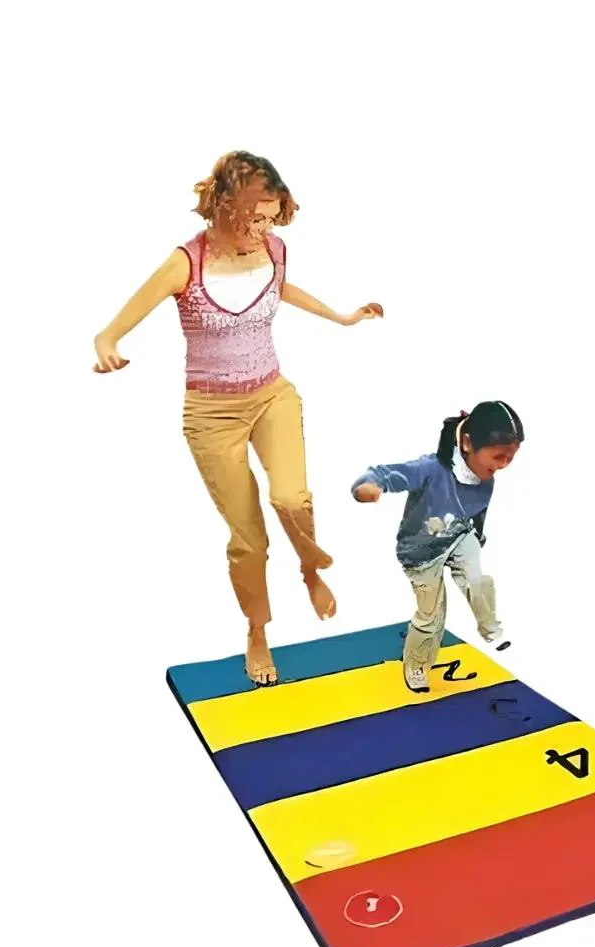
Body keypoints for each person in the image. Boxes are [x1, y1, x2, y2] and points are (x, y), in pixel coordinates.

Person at [92, 151, 383, 685]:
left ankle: (310, 569)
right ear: (226, 207)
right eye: (255, 218)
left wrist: (341, 318)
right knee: (249, 539)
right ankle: (257, 629)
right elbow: (111, 328)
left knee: (292, 498)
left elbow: (278, 287)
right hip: (212, 415)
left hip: (272, 395)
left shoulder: (274, 249)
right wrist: (108, 344)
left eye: (271, 218)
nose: (264, 229)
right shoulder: (186, 263)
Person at [352, 401, 524, 693]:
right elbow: (387, 473)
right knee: (432, 616)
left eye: (510, 458)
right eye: (498, 456)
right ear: (467, 443)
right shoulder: (432, 469)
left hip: (459, 535)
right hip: (421, 552)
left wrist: (478, 537)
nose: (502, 465)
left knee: (478, 580)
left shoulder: (487, 479)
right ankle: (417, 666)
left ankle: (490, 629)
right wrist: (370, 486)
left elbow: (479, 511)